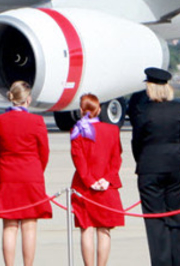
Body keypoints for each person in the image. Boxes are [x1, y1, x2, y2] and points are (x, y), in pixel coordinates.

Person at [131, 67, 180, 266]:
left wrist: (143, 160)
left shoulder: (143, 111)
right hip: (175, 164)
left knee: (156, 221)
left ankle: (161, 263)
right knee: (178, 215)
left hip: (150, 166)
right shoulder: (178, 108)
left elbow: (136, 141)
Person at [0, 81, 51, 266]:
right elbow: (44, 151)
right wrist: (36, 169)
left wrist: (6, 165)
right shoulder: (37, 121)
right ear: (28, 99)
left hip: (7, 175)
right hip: (31, 174)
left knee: (9, 226)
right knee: (29, 226)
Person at [69, 93, 125, 266]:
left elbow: (79, 161)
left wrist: (90, 180)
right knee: (104, 231)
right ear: (99, 109)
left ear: (81, 110)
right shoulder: (112, 130)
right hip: (106, 186)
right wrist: (106, 179)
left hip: (85, 186)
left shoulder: (77, 131)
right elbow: (116, 159)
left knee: (86, 230)